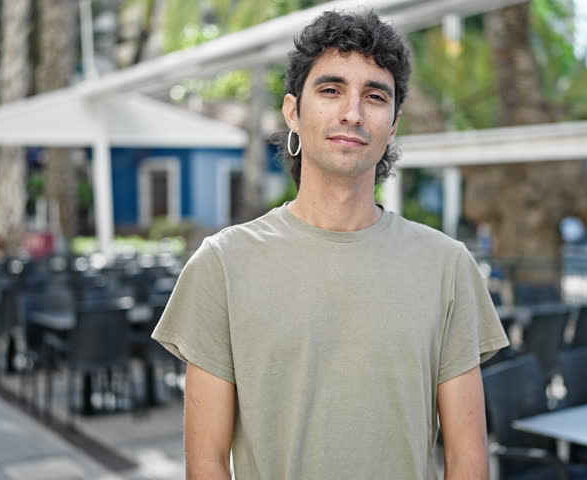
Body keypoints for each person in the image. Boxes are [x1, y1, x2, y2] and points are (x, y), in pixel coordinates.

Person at [152, 9, 508, 480]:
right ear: (293, 112)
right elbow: (207, 463)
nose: (352, 113)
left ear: (394, 123)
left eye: (375, 96)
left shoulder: (448, 266)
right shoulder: (222, 264)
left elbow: (467, 461)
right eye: (331, 89)